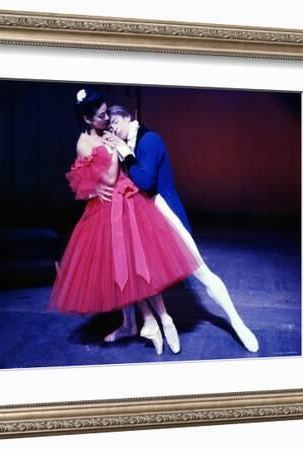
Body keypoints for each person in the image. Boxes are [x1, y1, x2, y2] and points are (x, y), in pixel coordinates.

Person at [48, 89, 203, 355]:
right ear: (87, 119)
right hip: (107, 209)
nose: (107, 118)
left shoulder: (106, 131)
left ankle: (162, 320)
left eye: (107, 112)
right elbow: (104, 179)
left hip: (130, 200)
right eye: (100, 115)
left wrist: (118, 147)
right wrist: (111, 152)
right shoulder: (84, 142)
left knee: (141, 264)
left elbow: (124, 166)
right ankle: (143, 322)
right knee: (124, 268)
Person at [102, 104, 259, 353]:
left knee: (201, 272)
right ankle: (142, 323)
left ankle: (237, 323)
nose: (112, 129)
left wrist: (124, 153)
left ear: (128, 117)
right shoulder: (126, 144)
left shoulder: (149, 139)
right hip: (148, 219)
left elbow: (145, 181)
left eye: (115, 123)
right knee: (135, 271)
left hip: (168, 215)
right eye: (108, 126)